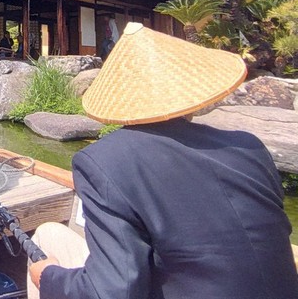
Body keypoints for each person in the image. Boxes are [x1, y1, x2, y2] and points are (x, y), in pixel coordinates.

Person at [28, 22, 298, 299]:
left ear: (120, 99)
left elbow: (112, 291)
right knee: (52, 233)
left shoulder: (104, 162)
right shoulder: (249, 147)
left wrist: (48, 277)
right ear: (189, 91)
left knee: (46, 238)